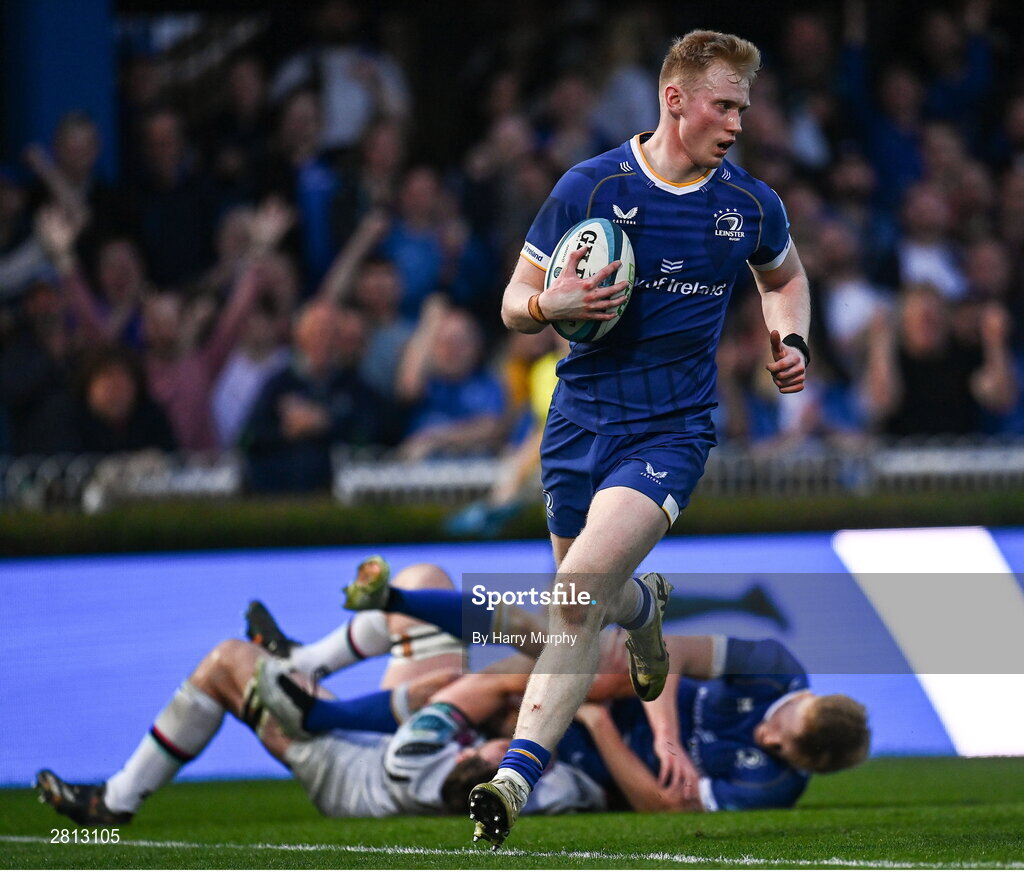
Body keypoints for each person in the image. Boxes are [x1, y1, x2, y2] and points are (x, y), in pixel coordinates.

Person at [472, 29, 810, 847]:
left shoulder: (749, 205)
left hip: (672, 429)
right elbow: (514, 300)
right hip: (578, 423)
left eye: (744, 107)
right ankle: (645, 612)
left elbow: (786, 278)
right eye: (725, 104)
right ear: (675, 98)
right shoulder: (590, 187)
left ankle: (513, 777)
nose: (737, 122)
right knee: (580, 606)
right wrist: (550, 308)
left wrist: (789, 341)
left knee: (578, 587)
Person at [270, 558, 868, 814]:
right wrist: (663, 737)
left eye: (781, 750)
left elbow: (660, 804)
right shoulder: (776, 668)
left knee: (496, 673)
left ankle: (327, 706)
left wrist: (600, 725)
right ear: (802, 703)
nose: (766, 738)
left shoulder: (775, 784)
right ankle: (374, 630)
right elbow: (667, 652)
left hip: (588, 763)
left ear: (806, 764)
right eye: (778, 728)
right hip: (618, 687)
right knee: (528, 656)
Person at [35, 563, 600, 825]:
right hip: (399, 732)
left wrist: (319, 711)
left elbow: (469, 691)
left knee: (226, 661)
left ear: (475, 756)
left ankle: (118, 798)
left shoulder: (425, 758)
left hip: (347, 756)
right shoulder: (543, 770)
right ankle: (304, 661)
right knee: (424, 582)